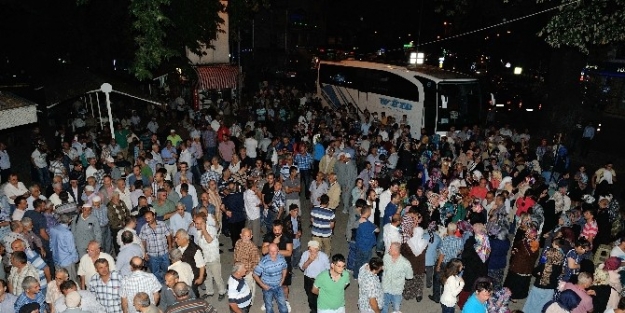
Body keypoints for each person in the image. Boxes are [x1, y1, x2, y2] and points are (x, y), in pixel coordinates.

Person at [253, 243, 289, 313]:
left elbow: (284, 268)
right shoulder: (263, 262)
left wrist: (283, 279)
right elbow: (255, 274)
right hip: (267, 287)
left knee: (283, 305)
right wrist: (263, 285)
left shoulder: (281, 258)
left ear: (278, 250)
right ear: (268, 251)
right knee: (268, 306)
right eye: (271, 251)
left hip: (278, 285)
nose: (273, 253)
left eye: (274, 251)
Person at [139, 210, 172, 284]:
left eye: (149, 218)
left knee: (167, 270)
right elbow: (143, 241)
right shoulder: (144, 228)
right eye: (146, 218)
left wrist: (170, 247)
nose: (148, 220)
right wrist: (144, 252)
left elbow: (168, 235)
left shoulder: (162, 224)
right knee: (155, 272)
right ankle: (161, 285)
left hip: (164, 252)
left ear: (154, 217)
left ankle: (168, 283)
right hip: (152, 255)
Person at [381, 242, 414, 313]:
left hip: (396, 290)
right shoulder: (386, 257)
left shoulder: (405, 263)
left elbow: (409, 276)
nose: (389, 250)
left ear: (397, 251)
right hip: (385, 288)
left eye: (391, 249)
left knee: (396, 309)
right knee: (384, 306)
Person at [299, 240, 330, 313]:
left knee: (320, 296)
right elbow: (302, 267)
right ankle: (313, 308)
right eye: (310, 250)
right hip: (308, 279)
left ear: (318, 249)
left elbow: (328, 269)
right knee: (310, 295)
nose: (312, 252)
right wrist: (310, 260)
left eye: (314, 250)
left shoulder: (323, 256)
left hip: (320, 280)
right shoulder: (305, 254)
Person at [233, 228, 260, 306]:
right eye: (244, 236)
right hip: (238, 267)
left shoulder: (253, 247)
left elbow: (255, 261)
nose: (245, 238)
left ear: (251, 236)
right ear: (241, 235)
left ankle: (249, 300)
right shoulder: (238, 243)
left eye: (248, 236)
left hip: (248, 269)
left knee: (249, 285)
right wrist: (235, 263)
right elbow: (235, 253)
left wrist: (248, 270)